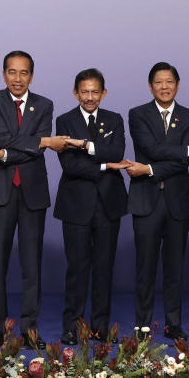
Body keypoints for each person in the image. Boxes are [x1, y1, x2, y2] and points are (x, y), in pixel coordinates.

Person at [0, 50, 68, 346]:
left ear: (31, 75)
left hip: (32, 191)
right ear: (4, 74)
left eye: (24, 72)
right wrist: (42, 141)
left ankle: (29, 329)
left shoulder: (44, 104)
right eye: (12, 72)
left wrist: (18, 149)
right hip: (0, 191)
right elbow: (2, 138)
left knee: (32, 266)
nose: (18, 78)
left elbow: (18, 149)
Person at [125, 63, 189, 341]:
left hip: (177, 202)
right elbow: (150, 148)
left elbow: (182, 162)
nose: (164, 86)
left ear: (177, 84)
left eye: (170, 81)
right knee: (145, 266)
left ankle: (174, 323)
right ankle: (143, 324)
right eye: (159, 82)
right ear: (151, 86)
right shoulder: (137, 114)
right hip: (145, 200)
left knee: (175, 266)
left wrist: (149, 168)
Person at [53, 68, 128, 345]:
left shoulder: (115, 119)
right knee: (77, 268)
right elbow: (70, 165)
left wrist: (85, 145)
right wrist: (106, 164)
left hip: (109, 203)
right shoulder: (64, 120)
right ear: (76, 93)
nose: (89, 97)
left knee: (104, 267)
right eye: (84, 91)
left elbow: (118, 151)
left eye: (95, 91)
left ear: (103, 93)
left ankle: (99, 327)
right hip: (75, 204)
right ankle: (72, 326)